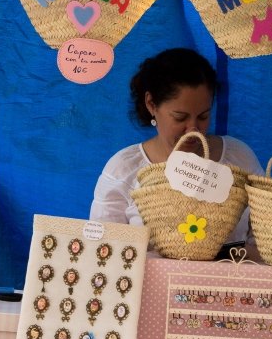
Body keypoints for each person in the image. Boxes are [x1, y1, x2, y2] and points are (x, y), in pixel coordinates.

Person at [90, 48, 263, 252]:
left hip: (231, 283)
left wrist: (223, 257)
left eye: (203, 116)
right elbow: (102, 251)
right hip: (151, 284)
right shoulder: (124, 170)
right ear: (151, 104)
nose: (193, 128)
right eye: (180, 118)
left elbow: (263, 241)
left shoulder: (239, 159)